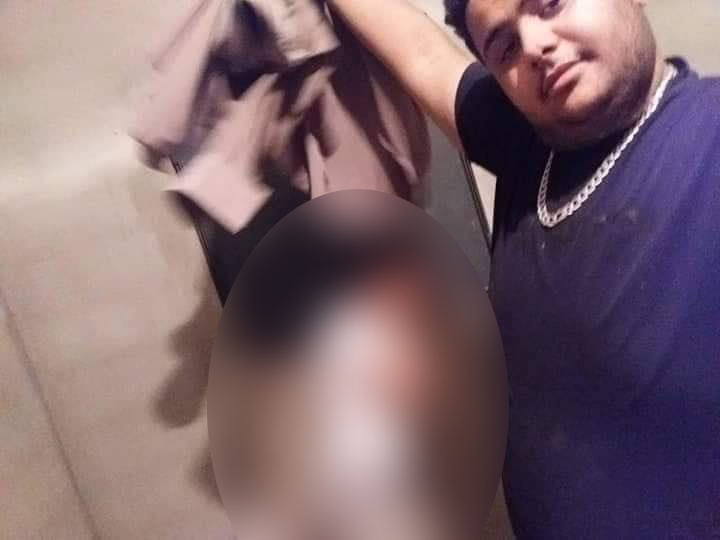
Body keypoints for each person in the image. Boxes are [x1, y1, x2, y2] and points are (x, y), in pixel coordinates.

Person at [326, 0, 720, 537]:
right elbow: (420, 52)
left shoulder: (708, 136)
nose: (534, 46)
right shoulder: (524, 141)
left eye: (549, 4)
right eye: (504, 46)